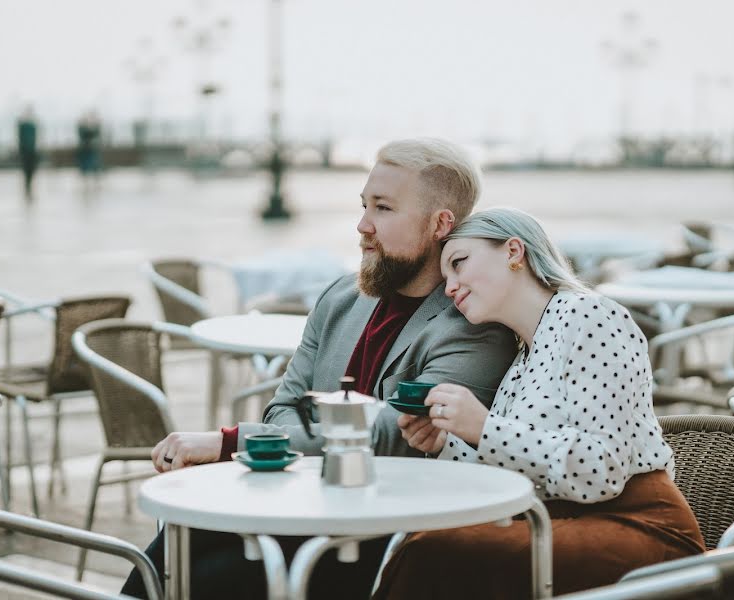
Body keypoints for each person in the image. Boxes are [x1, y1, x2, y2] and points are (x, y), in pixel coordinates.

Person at [121, 139, 518, 599]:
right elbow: (282, 408)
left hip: (380, 535)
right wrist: (281, 446)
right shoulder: (340, 298)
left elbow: (388, 437)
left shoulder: (472, 326)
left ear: (440, 224)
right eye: (364, 205)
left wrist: (229, 442)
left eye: (383, 209)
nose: (363, 225)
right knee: (175, 542)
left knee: (208, 581)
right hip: (296, 503)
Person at [376, 208, 705, 598]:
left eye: (459, 263)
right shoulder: (523, 354)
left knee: (435, 551)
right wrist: (444, 444)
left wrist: (484, 428)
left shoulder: (590, 315)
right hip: (553, 521)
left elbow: (603, 469)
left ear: (514, 251)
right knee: (421, 539)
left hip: (641, 529)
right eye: (446, 276)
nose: (450, 286)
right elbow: (523, 471)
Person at [16, 105, 38, 200]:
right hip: (25, 152)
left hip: (32, 151)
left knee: (31, 170)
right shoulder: (23, 125)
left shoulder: (32, 125)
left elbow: (35, 138)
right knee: (26, 170)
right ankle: (27, 187)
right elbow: (20, 138)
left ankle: (29, 186)